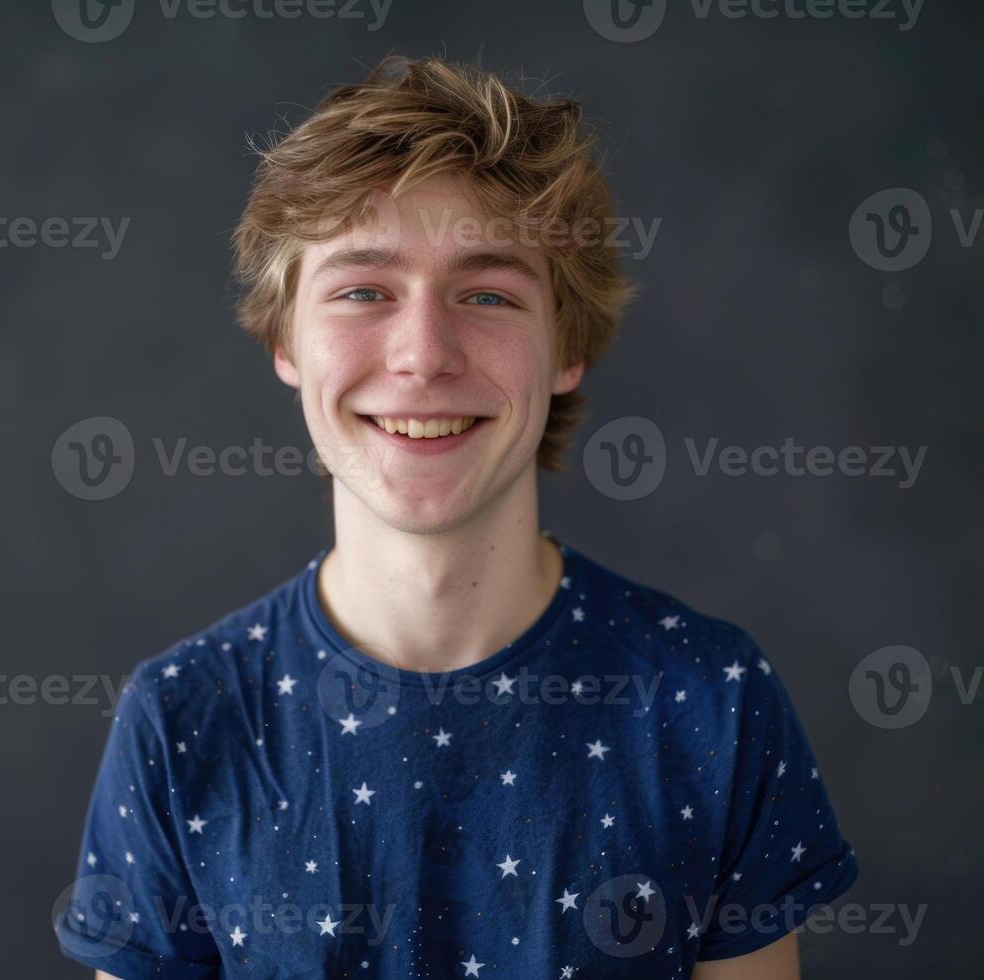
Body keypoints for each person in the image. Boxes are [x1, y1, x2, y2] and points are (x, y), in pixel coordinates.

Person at [55, 55, 858, 979]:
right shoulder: (180, 722)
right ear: (286, 340)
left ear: (568, 347)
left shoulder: (711, 700)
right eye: (363, 290)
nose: (423, 354)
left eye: (487, 295)